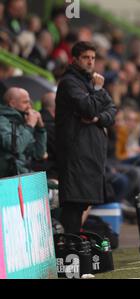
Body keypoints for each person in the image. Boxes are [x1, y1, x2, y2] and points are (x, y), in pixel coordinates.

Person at [55, 41, 117, 234]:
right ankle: (68, 246)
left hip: (90, 153)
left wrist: (99, 118)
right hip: (76, 152)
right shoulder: (69, 82)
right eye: (85, 58)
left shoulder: (89, 81)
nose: (90, 62)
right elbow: (88, 108)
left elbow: (112, 110)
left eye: (93, 58)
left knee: (81, 203)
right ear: (75, 60)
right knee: (74, 204)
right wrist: (97, 92)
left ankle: (73, 244)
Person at [0, 87, 46, 178]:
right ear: (12, 103)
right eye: (25, 102)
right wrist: (29, 126)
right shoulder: (2, 120)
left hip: (22, 173)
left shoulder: (22, 122)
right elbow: (15, 148)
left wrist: (40, 129)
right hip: (7, 177)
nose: (29, 106)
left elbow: (38, 154)